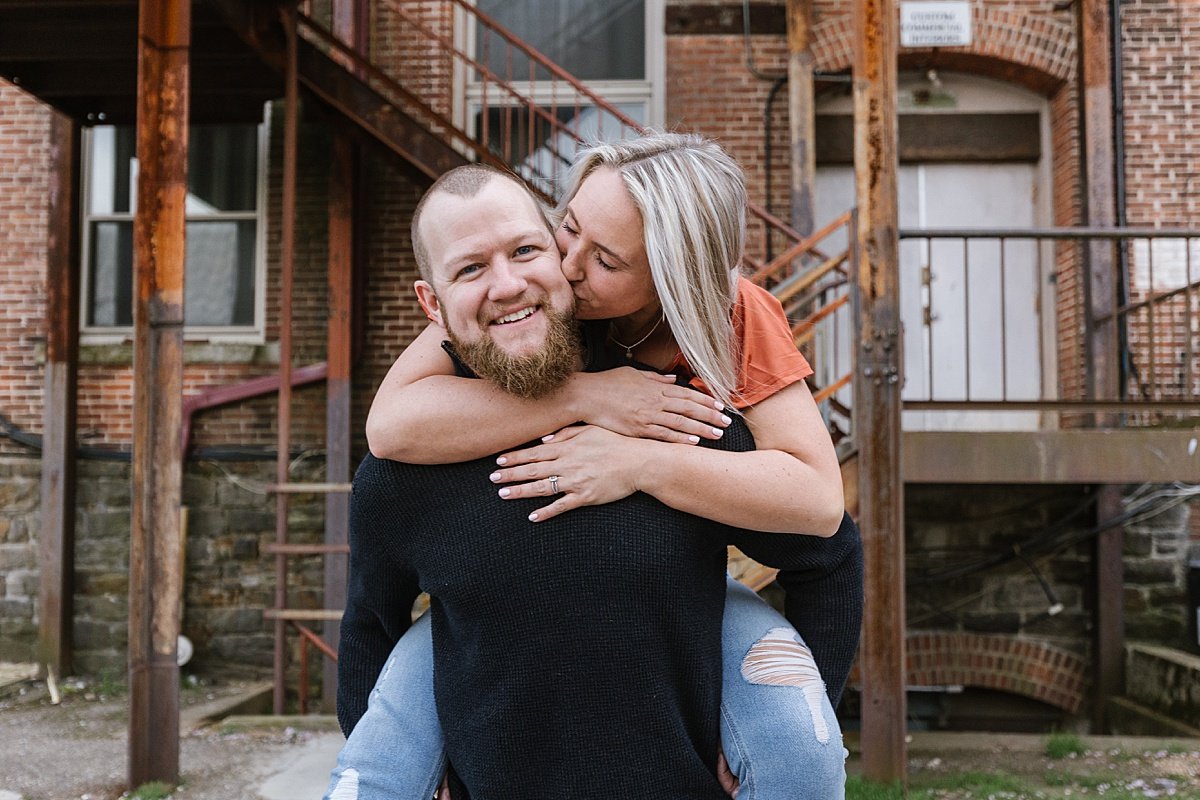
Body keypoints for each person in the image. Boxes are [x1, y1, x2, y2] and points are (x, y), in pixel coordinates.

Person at [329, 143, 859, 799]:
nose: (566, 268)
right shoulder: (514, 296)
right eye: (567, 230)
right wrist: (588, 394)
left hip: (681, 604)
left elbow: (818, 509)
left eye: (604, 260)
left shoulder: (729, 327)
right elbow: (391, 428)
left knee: (797, 753)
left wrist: (640, 461)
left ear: (667, 279)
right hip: (480, 632)